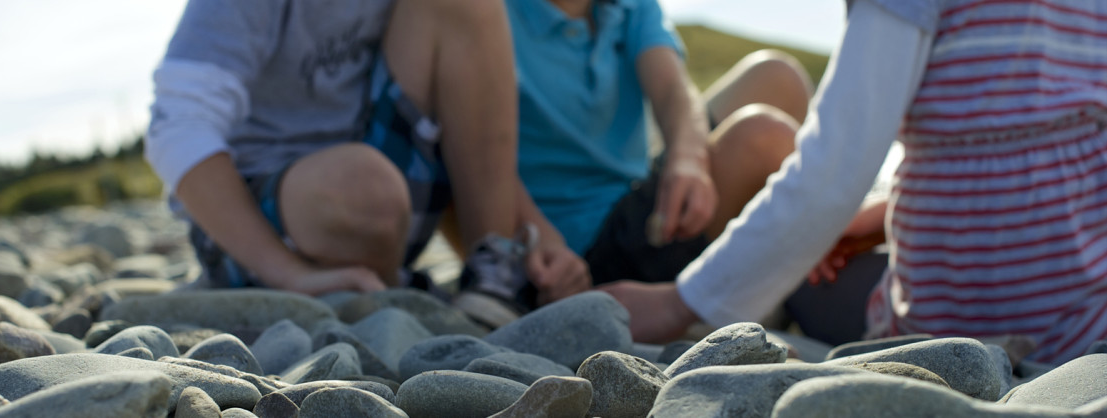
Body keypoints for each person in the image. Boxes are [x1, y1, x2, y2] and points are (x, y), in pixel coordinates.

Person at [601, 0, 1107, 364]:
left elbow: (836, 166)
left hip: (954, 326)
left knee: (803, 272)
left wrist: (678, 304)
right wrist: (880, 214)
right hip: (1085, 321)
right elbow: (1044, 151)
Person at [146, 0, 540, 304]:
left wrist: (537, 240)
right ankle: (381, 295)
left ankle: (496, 277)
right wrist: (288, 273)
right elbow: (176, 128)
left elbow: (473, 133)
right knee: (364, 186)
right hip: (262, 224)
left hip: (388, 191)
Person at [497, 0, 813, 296]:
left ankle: (768, 275)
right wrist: (535, 235)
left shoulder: (628, 6)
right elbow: (470, 154)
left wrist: (687, 159)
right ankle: (789, 288)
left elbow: (673, 90)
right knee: (765, 139)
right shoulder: (492, 14)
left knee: (778, 78)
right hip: (577, 249)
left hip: (641, 200)